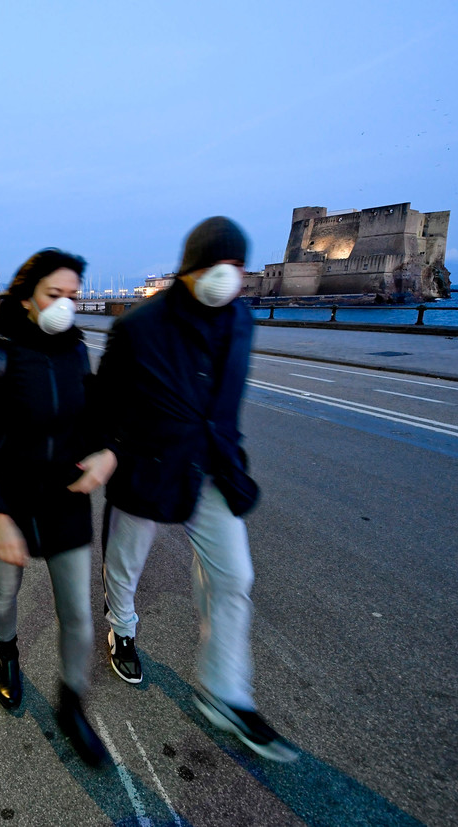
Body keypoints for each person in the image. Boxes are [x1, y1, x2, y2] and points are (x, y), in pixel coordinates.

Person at [94, 217, 298, 762]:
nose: (227, 276)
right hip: (147, 466)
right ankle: (122, 630)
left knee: (233, 577)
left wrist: (229, 449)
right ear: (189, 268)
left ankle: (224, 693)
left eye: (236, 266)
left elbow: (225, 401)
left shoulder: (241, 320)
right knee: (125, 565)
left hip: (211, 469)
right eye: (215, 264)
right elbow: (105, 401)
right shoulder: (140, 327)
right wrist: (108, 448)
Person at [0, 249, 117, 767]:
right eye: (54, 294)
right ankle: (8, 655)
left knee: (78, 614)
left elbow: (93, 419)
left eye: (73, 295)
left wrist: (107, 451)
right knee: (5, 594)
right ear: (27, 298)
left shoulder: (76, 352)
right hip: (8, 503)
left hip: (65, 500)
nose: (65, 304)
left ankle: (73, 705)